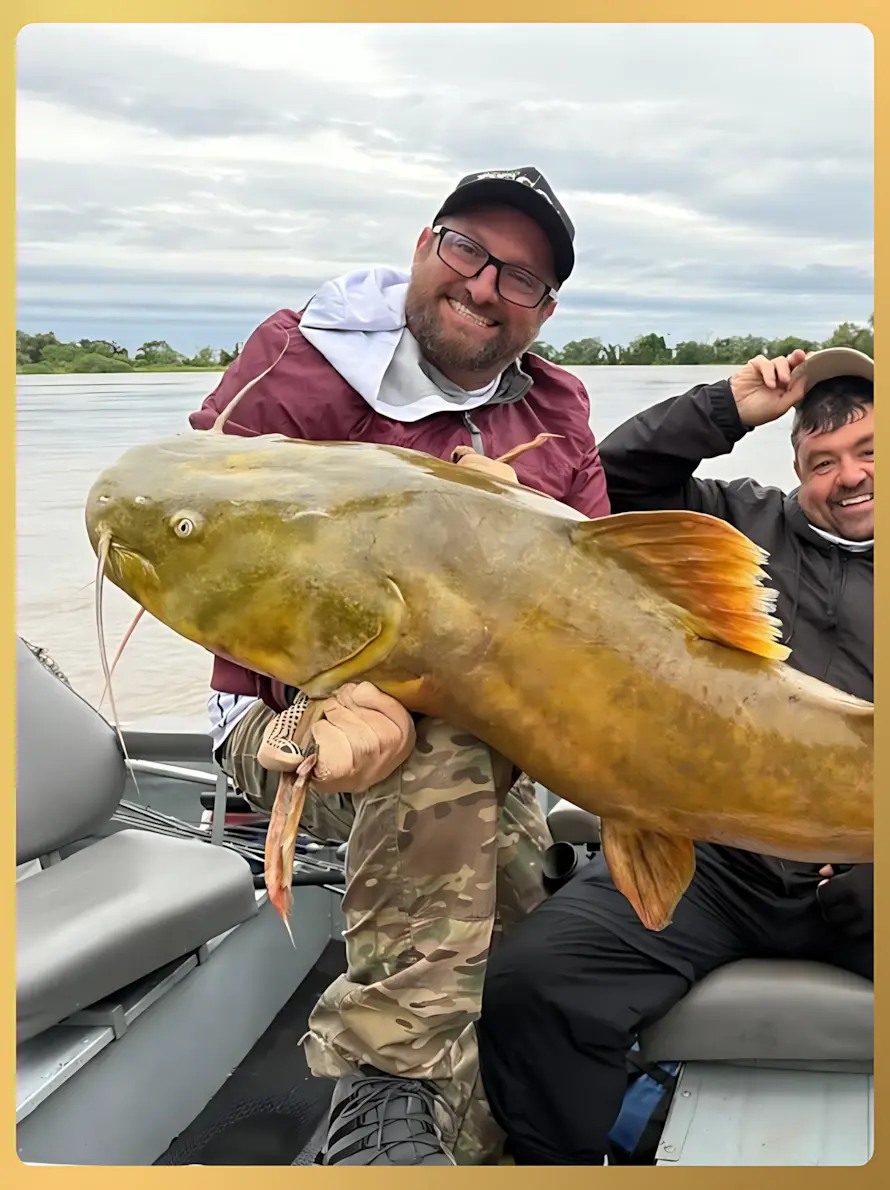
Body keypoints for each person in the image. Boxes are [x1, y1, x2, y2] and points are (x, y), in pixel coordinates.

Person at [187, 167, 611, 1166]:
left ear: (542, 310)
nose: (482, 285)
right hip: (287, 715)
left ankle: (474, 1140)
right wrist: (327, 689)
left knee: (511, 903)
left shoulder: (557, 403)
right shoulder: (302, 354)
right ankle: (379, 1092)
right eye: (468, 250)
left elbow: (591, 588)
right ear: (425, 245)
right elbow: (198, 530)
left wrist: (524, 528)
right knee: (436, 768)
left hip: (477, 730)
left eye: (520, 278)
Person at [474, 345, 874, 1165]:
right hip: (715, 858)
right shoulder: (734, 523)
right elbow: (608, 481)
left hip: (870, 864)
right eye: (823, 461)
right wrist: (726, 407)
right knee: (533, 984)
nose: (851, 477)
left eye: (871, 451)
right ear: (795, 466)